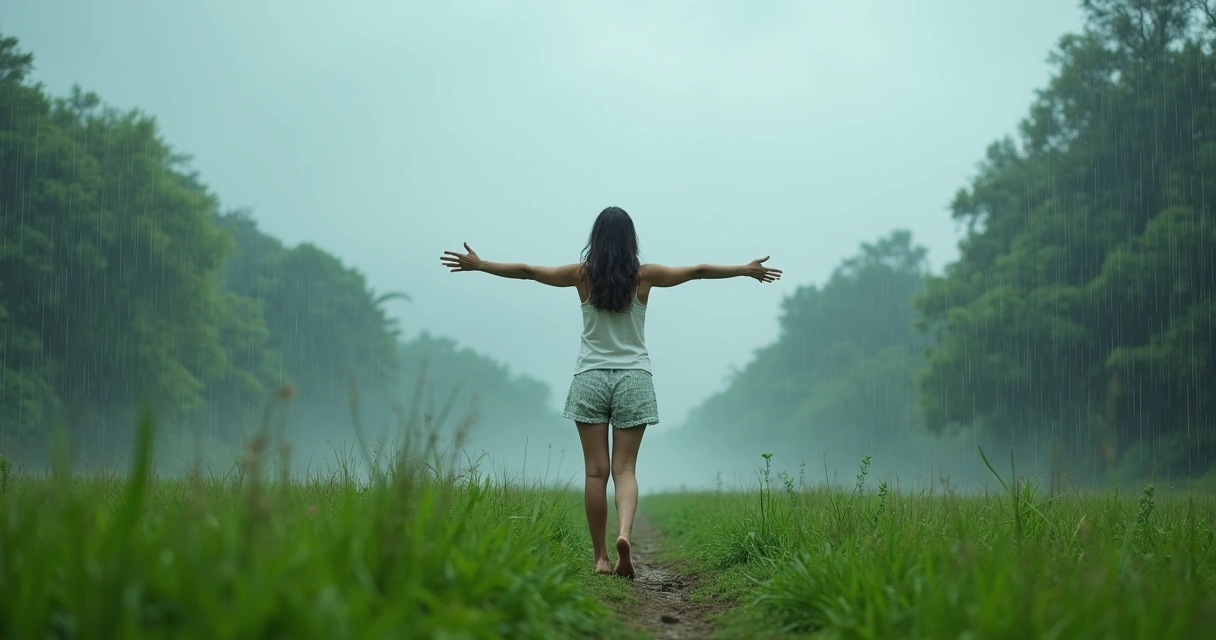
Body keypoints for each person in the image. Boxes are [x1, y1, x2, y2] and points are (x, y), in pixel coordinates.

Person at [440, 206, 781, 578]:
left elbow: (528, 272)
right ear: (630, 239)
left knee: (595, 473)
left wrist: (482, 264)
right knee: (625, 470)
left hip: (590, 378)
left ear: (596, 239)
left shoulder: (580, 275)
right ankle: (623, 534)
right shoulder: (644, 277)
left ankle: (601, 558)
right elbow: (697, 271)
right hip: (634, 378)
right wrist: (744, 270)